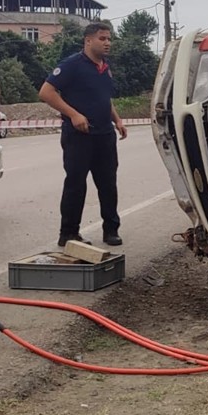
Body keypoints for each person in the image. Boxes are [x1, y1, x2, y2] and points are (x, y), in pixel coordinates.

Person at [39, 22, 128, 247]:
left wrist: (116, 119)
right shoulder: (72, 65)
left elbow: (104, 98)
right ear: (88, 40)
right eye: (102, 38)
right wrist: (73, 114)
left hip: (104, 135)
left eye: (109, 39)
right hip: (79, 136)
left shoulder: (105, 67)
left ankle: (111, 230)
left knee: (108, 183)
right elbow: (46, 92)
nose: (107, 42)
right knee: (76, 184)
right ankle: (68, 233)